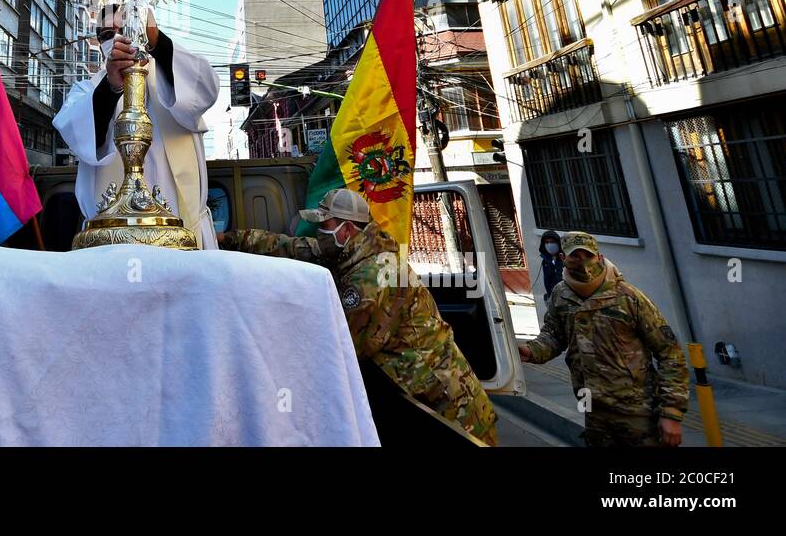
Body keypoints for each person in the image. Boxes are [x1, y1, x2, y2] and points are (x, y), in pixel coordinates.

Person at [219, 187, 499, 445]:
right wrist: (228, 239)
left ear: (346, 229)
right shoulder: (352, 250)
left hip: (448, 408)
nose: (318, 233)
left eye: (323, 226)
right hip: (415, 394)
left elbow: (341, 350)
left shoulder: (373, 277)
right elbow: (290, 247)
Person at [53, 3, 220, 249]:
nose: (119, 39)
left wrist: (158, 41)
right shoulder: (87, 91)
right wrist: (112, 89)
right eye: (108, 35)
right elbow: (79, 133)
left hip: (181, 236)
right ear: (100, 43)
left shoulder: (172, 74)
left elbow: (205, 88)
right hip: (111, 241)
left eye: (129, 28)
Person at [519, 231, 689, 447]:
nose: (583, 263)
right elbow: (553, 335)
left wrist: (671, 413)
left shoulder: (628, 297)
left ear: (599, 256)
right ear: (564, 258)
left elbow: (670, 354)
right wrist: (531, 350)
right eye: (575, 256)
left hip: (637, 412)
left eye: (588, 256)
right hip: (593, 409)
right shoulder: (561, 295)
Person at [538, 229, 564, 300]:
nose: (549, 244)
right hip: (553, 298)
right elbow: (547, 281)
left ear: (558, 243)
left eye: (552, 242)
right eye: (547, 242)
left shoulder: (565, 258)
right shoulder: (546, 261)